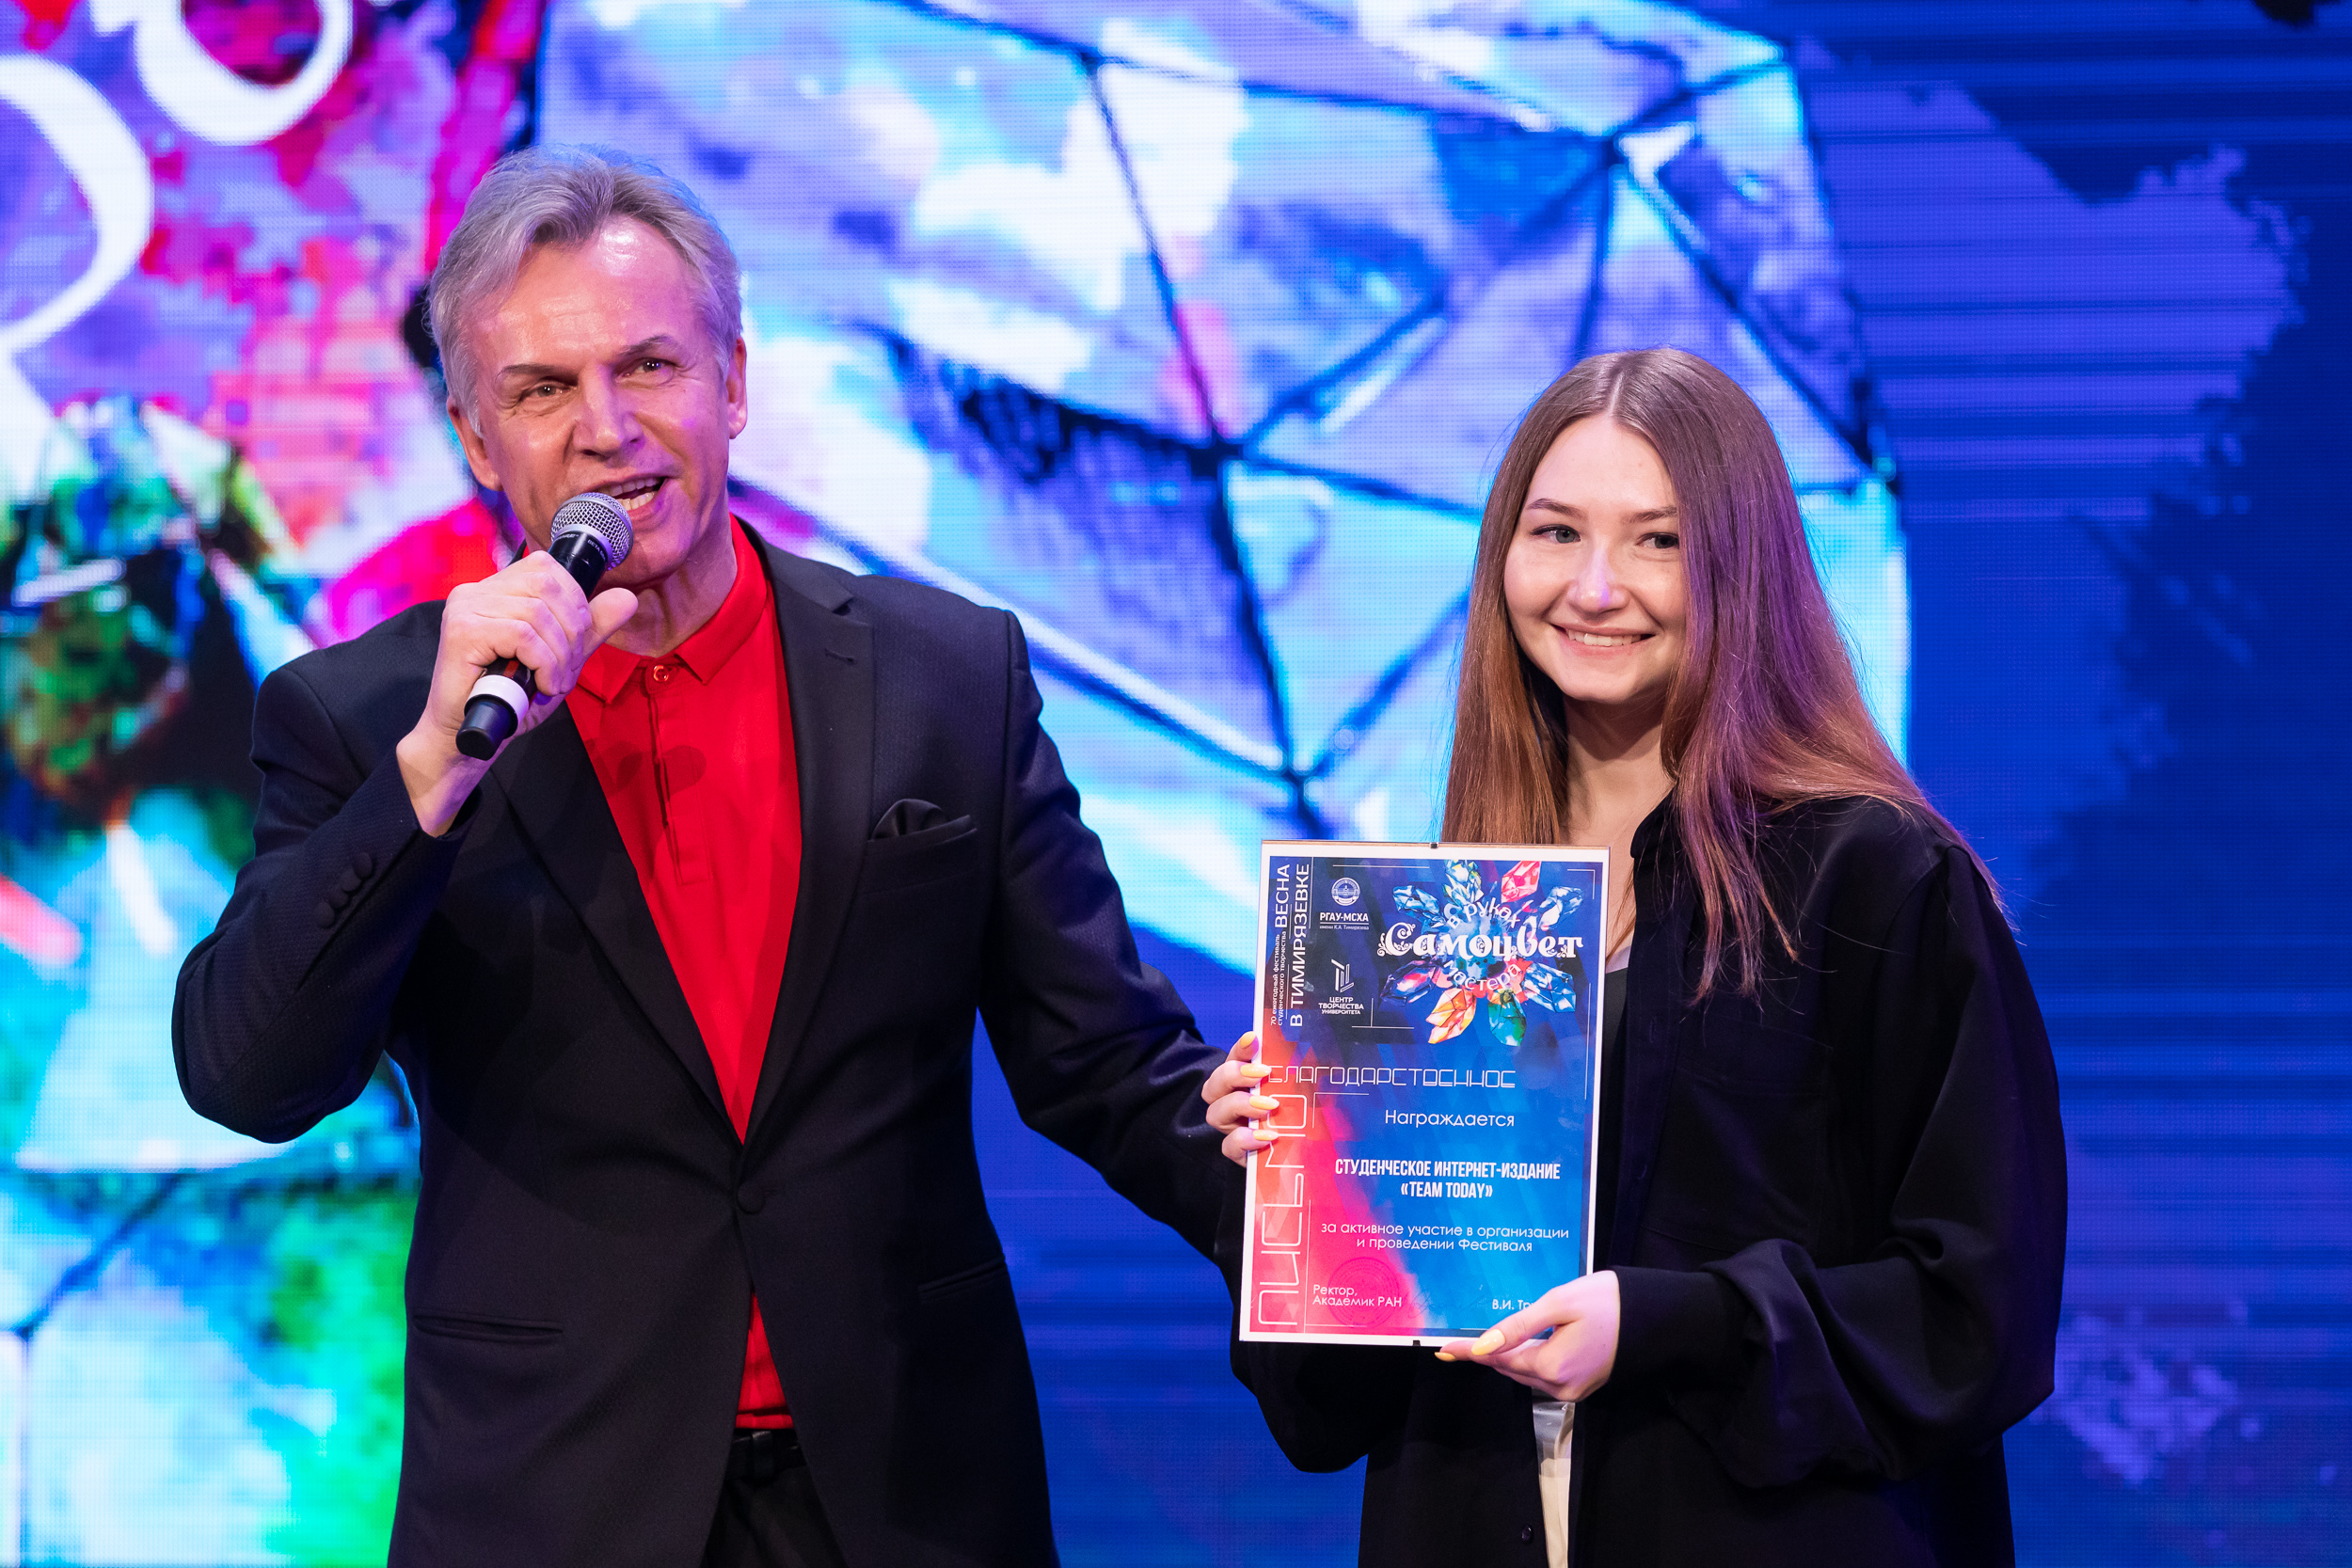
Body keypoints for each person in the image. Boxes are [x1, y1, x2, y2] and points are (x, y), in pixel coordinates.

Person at [173, 145, 1237, 1568]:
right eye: (542, 391)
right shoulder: (370, 717)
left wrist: (1375, 1239)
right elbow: (246, 1075)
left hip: (907, 1489)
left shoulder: (943, 675)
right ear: (477, 440)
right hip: (557, 1499)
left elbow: (1109, 1063)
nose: (607, 429)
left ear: (733, 383)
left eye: (649, 367)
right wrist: (431, 775)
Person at [1202, 348, 2066, 1565]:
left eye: (1658, 542)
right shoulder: (1423, 916)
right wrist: (1293, 1184)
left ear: (1742, 567)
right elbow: (1325, 1410)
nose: (1595, 587)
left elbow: (1977, 1309)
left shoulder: (1875, 877)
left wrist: (1661, 1325)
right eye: (1556, 533)